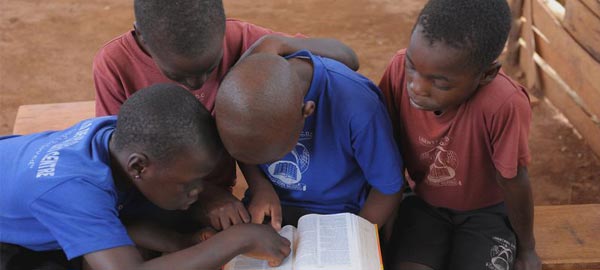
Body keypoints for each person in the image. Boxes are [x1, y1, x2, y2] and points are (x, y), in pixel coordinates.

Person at [93, 0, 360, 231]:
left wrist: (275, 44)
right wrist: (210, 196)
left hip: (225, 199)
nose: (197, 84)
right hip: (154, 197)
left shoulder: (239, 39)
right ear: (142, 35)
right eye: (178, 75)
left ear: (222, 27)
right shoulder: (115, 64)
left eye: (210, 68)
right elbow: (122, 161)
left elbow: (347, 59)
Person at [0, 83, 291, 270]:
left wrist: (180, 243)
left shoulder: (118, 139)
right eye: (188, 184)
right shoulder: (73, 190)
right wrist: (236, 241)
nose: (198, 192)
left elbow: (114, 220)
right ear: (138, 167)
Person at [378, 0, 541, 269]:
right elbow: (384, 144)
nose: (416, 87)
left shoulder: (505, 104)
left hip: (487, 214)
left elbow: (513, 179)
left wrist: (527, 248)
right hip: (423, 206)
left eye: (440, 82)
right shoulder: (397, 70)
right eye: (412, 66)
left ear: (487, 74)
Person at [215, 52, 405, 230]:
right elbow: (243, 149)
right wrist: (259, 186)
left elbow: (387, 188)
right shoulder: (239, 97)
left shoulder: (359, 108)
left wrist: (355, 237)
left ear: (307, 111)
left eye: (273, 155)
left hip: (344, 214)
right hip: (269, 204)